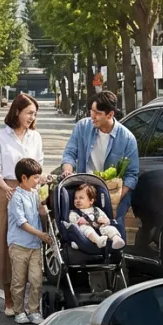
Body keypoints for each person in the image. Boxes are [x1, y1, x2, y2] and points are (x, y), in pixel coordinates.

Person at [0, 93, 45, 316]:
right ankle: (9, 298)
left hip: (30, 192)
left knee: (30, 240)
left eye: (34, 114)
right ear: (17, 112)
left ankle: (31, 297)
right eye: (29, 112)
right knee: (4, 243)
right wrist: (6, 187)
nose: (32, 117)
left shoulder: (35, 137)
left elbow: (39, 165)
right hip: (5, 192)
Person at [60, 90, 140, 232]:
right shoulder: (82, 127)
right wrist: (68, 170)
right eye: (91, 111)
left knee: (114, 225)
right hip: (85, 187)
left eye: (97, 113)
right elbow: (70, 153)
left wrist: (114, 199)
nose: (93, 116)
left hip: (112, 190)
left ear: (110, 114)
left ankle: (116, 251)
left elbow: (132, 175)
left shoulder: (127, 139)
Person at [7, 157, 51, 325]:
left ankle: (34, 310)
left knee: (36, 280)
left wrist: (43, 203)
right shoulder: (15, 197)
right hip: (19, 245)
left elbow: (41, 212)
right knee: (18, 281)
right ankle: (19, 310)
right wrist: (41, 234)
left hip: (34, 245)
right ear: (23, 178)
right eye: (35, 178)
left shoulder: (34, 193)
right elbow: (22, 223)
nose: (37, 181)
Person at [68, 184, 124, 250]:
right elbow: (71, 223)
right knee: (85, 229)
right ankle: (98, 240)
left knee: (109, 228)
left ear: (91, 201)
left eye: (81, 198)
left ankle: (116, 239)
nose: (77, 200)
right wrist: (78, 222)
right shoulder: (75, 212)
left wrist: (105, 220)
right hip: (86, 235)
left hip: (100, 228)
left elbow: (106, 219)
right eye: (75, 198)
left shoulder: (97, 210)